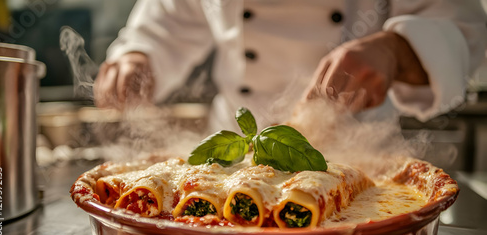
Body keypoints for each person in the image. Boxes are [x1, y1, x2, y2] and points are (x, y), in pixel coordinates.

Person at [93, 0, 487, 133]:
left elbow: (469, 34)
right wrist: (136, 58)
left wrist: (394, 49)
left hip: (361, 160)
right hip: (229, 155)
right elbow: (165, 24)